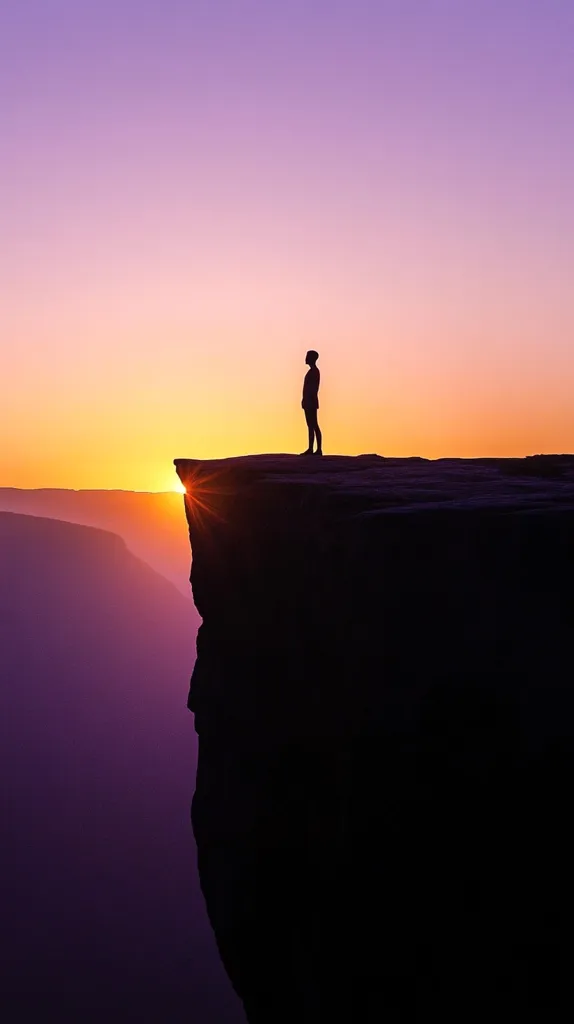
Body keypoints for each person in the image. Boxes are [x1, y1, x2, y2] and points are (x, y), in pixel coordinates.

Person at [300, 350, 322, 456]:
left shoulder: (314, 372)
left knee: (314, 425)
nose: (305, 358)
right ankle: (311, 448)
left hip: (311, 401)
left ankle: (317, 449)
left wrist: (309, 399)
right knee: (310, 425)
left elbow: (313, 388)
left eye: (307, 356)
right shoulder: (312, 371)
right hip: (309, 401)